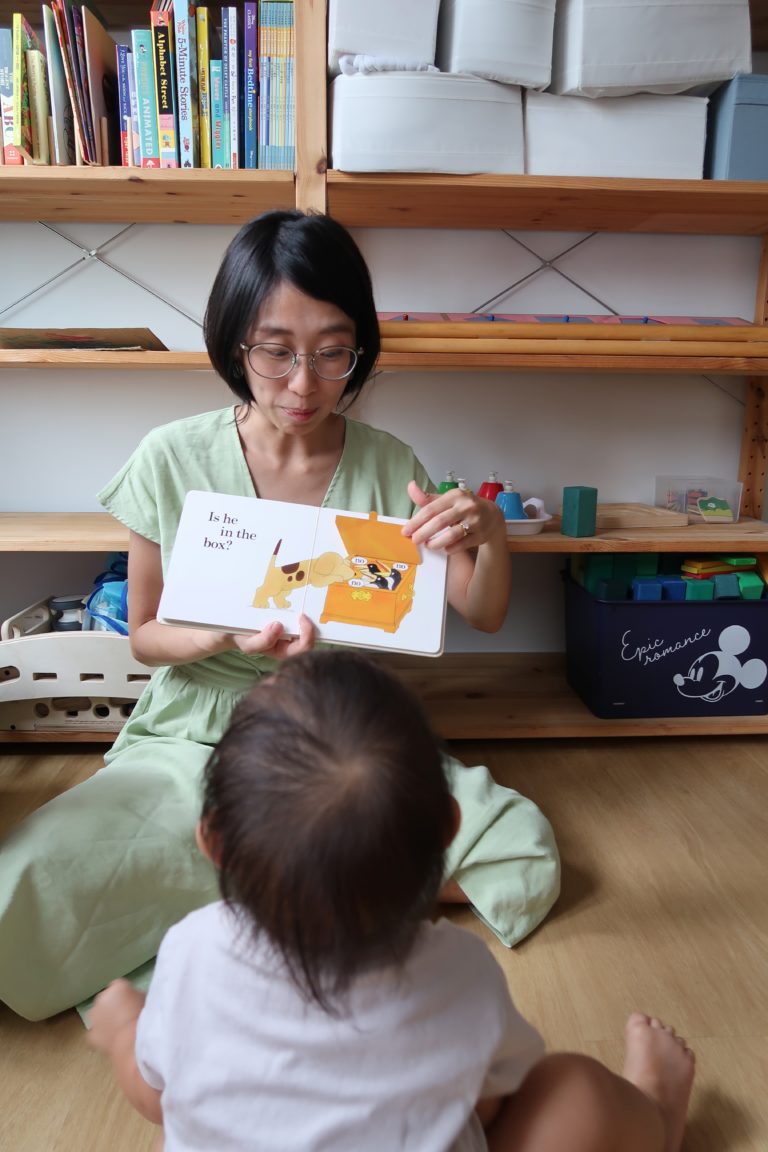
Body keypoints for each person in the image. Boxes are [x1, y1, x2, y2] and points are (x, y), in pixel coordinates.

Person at [0, 209, 559, 1023]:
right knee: (35, 881)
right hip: (196, 726)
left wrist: (492, 531)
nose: (304, 384)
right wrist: (219, 634)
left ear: (360, 347)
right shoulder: (171, 456)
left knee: (521, 849)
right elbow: (147, 635)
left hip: (344, 730)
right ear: (235, 344)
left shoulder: (390, 463)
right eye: (275, 351)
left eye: (334, 352)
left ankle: (253, 903)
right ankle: (331, 898)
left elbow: (483, 609)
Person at [89, 651, 695, 1152]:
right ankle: (657, 1115)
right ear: (448, 830)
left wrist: (122, 1031)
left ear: (213, 841)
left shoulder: (191, 950)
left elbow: (160, 1101)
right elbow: (486, 1103)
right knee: (574, 1094)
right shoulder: (458, 970)